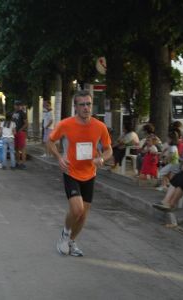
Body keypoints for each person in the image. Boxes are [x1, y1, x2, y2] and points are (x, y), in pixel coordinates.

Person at [47, 91, 112, 257]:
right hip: (71, 171)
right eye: (82, 104)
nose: (86, 108)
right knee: (77, 209)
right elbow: (50, 141)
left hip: (90, 173)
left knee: (83, 215)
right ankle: (65, 233)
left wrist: (102, 159)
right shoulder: (66, 124)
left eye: (88, 104)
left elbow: (108, 149)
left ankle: (71, 242)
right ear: (75, 107)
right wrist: (59, 158)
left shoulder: (100, 126)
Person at [12, 100, 28, 169]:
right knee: (16, 149)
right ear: (14, 105)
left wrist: (20, 130)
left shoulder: (22, 113)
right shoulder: (14, 113)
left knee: (22, 148)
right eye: (16, 105)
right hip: (15, 133)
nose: (17, 106)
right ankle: (18, 162)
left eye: (19, 105)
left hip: (21, 133)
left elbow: (26, 123)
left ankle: (23, 163)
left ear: (20, 106)